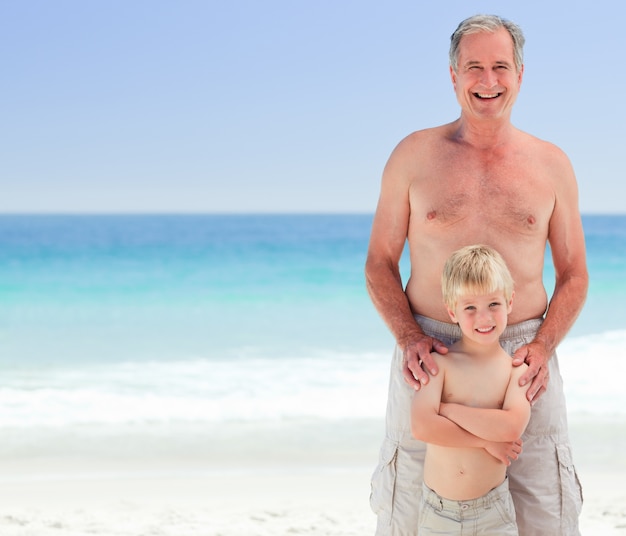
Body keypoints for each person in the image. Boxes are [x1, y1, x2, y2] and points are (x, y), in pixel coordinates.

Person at [365, 13, 588, 536]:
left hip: (523, 355)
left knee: (546, 510)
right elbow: (379, 262)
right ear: (452, 75)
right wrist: (408, 337)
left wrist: (544, 346)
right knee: (408, 512)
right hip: (431, 351)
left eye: (500, 67)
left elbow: (574, 274)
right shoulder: (413, 155)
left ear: (520, 74)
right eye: (474, 68)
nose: (488, 81)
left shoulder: (552, 164)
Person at [411, 244, 530, 535]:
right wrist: (485, 442)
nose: (484, 318)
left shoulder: (516, 370)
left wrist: (448, 410)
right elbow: (423, 426)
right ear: (452, 311)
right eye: (470, 308)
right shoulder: (440, 363)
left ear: (510, 302)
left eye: (493, 304)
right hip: (438, 512)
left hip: (493, 511)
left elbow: (511, 427)